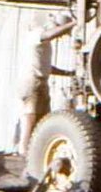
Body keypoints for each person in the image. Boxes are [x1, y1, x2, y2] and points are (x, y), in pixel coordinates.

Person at [17, 10, 75, 156]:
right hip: (31, 81)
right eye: (61, 32)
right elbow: (50, 34)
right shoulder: (37, 34)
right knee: (30, 115)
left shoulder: (45, 44)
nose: (60, 37)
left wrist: (69, 73)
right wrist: (75, 23)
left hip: (42, 81)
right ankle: (23, 149)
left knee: (43, 118)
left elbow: (46, 67)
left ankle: (34, 152)